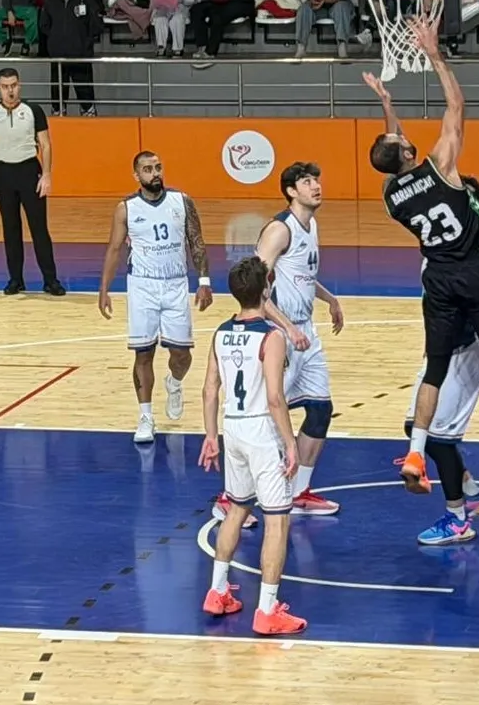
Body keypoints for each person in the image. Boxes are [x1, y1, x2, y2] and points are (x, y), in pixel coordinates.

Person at [364, 17, 479, 497]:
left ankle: (415, 451)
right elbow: (457, 106)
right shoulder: (441, 168)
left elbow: (394, 154)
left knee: (434, 366)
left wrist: (388, 107)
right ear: (408, 151)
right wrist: (433, 54)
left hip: (437, 278)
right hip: (472, 271)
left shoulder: (391, 196)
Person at [212, 162, 344, 526]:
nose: (316, 186)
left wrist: (329, 298)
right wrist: (286, 327)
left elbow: (302, 277)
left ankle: (298, 491)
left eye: (316, 179)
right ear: (291, 191)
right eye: (307, 181)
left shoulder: (311, 225)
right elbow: (255, 287)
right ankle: (228, 499)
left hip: (305, 332)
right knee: (266, 415)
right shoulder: (279, 230)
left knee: (320, 409)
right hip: (279, 333)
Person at [198, 255, 306, 636]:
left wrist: (210, 436)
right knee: (277, 520)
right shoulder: (271, 336)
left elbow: (209, 390)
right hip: (261, 430)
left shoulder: (220, 333)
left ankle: (217, 591)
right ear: (265, 291)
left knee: (237, 508)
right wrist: (290, 443)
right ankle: (267, 609)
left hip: (232, 428)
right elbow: (275, 398)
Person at [400, 175, 479, 545]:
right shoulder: (445, 245)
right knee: (414, 426)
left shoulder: (468, 262)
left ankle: (458, 519)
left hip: (463, 350)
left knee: (437, 439)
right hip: (444, 349)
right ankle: (471, 491)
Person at [99, 150, 213, 444]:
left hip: (176, 284)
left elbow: (197, 242)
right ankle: (146, 416)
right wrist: (104, 289)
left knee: (182, 354)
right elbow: (114, 249)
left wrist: (204, 281)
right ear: (136, 175)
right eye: (148, 169)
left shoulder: (182, 201)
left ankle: (174, 382)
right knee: (143, 353)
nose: (155, 173)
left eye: (158, 167)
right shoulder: (126, 208)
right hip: (142, 286)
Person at [0, 67, 65, 296]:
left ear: (20, 85)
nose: (10, 91)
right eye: (5, 86)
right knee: (11, 229)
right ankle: (16, 280)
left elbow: (45, 144)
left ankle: (51, 280)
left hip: (29, 171)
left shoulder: (33, 110)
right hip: (3, 173)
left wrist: (46, 175)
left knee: (39, 228)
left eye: (14, 85)